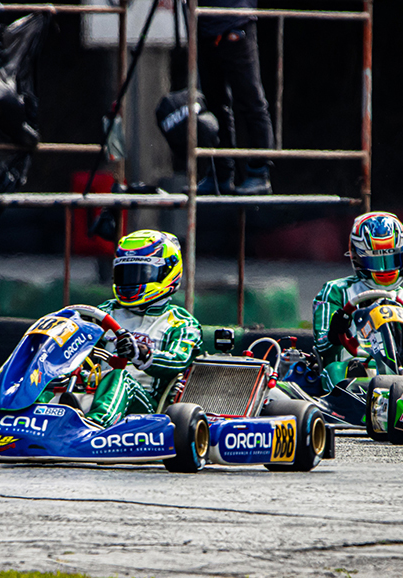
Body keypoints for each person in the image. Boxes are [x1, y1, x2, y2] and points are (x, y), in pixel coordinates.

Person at [79, 230, 202, 427]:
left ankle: (94, 427)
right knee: (53, 374)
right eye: (125, 273)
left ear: (166, 272)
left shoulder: (181, 322)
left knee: (120, 376)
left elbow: (178, 361)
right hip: (95, 390)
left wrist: (142, 354)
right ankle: (23, 420)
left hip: (148, 410)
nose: (130, 281)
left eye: (140, 273)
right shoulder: (104, 312)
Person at [312, 211, 403, 385]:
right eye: (376, 261)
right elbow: (322, 347)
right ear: (357, 257)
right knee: (336, 370)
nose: (384, 270)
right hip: (354, 373)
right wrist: (335, 332)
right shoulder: (336, 291)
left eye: (391, 259)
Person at [196, 0, 274, 196]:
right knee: (215, 105)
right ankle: (221, 173)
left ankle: (259, 172)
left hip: (235, 22)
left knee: (250, 101)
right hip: (204, 24)